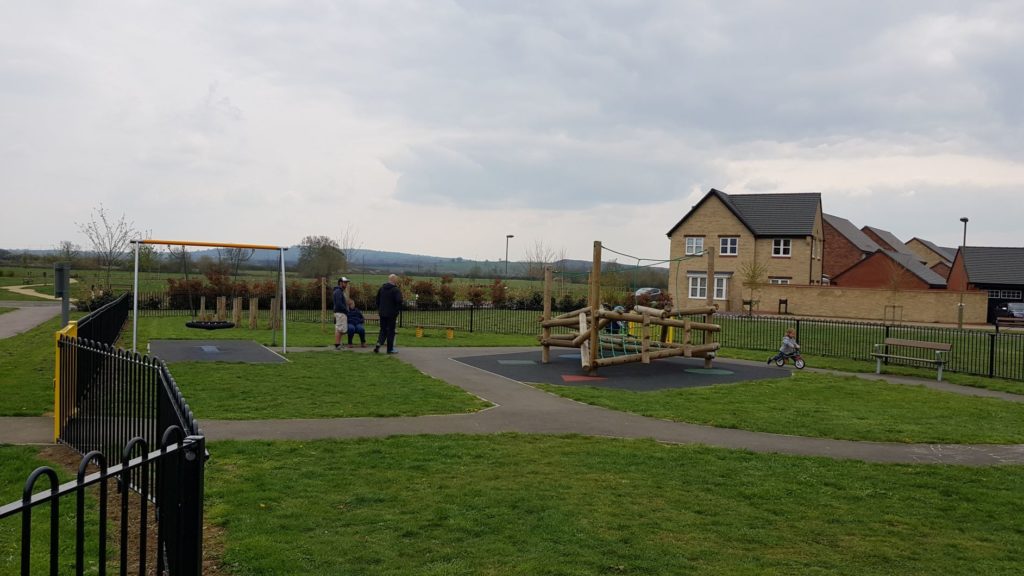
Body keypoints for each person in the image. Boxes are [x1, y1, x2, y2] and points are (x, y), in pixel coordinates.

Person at [374, 274, 403, 354]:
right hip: (391, 314)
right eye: (396, 279)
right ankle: (390, 349)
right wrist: (396, 310)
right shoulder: (396, 290)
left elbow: (377, 300)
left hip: (382, 313)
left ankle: (378, 343)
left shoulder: (381, 289)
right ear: (394, 280)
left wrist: (380, 309)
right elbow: (399, 301)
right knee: (391, 331)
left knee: (383, 330)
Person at [332, 277, 350, 350]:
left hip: (340, 312)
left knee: (341, 329)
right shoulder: (338, 292)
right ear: (340, 283)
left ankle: (339, 344)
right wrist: (346, 310)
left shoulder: (340, 291)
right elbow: (339, 304)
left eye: (346, 282)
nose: (346, 284)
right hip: (340, 312)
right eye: (344, 282)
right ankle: (337, 345)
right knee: (339, 329)